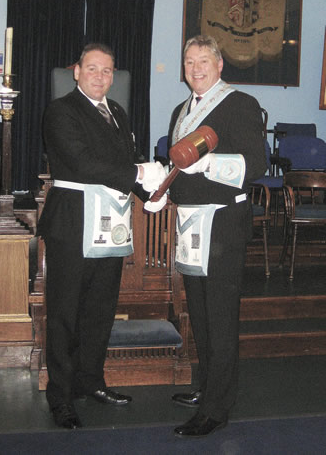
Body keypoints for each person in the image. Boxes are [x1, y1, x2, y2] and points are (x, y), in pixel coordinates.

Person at [37, 43, 166, 429]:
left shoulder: (118, 113)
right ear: (76, 71)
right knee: (64, 313)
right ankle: (60, 395)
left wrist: (153, 192)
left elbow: (125, 161)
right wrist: (139, 176)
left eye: (107, 70)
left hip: (110, 222)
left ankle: (91, 380)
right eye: (92, 68)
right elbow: (82, 162)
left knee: (99, 310)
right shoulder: (61, 111)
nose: (100, 76)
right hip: (73, 222)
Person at [148, 35, 266, 437]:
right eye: (188, 62)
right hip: (190, 223)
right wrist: (159, 188)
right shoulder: (182, 110)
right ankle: (206, 386)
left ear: (219, 66)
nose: (195, 69)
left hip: (223, 224)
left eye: (203, 61)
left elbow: (257, 163)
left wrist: (210, 164)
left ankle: (217, 408)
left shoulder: (240, 104)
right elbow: (179, 166)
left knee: (220, 317)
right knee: (199, 313)